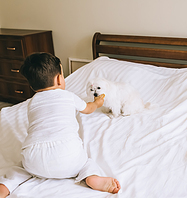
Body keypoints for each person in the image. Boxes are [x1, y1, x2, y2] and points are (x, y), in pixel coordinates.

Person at [0, 52, 121, 198]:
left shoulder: (31, 102)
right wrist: (97, 103)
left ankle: (7, 184)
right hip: (67, 158)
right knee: (86, 162)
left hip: (34, 160)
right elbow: (88, 109)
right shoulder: (69, 96)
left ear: (32, 85)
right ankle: (91, 176)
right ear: (59, 78)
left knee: (21, 167)